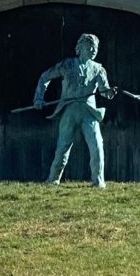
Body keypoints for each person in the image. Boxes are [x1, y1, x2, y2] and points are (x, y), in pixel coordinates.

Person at [33, 33, 111, 187]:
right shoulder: (67, 64)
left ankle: (98, 181)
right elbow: (45, 77)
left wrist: (109, 92)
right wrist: (38, 98)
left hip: (89, 113)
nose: (93, 50)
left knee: (96, 146)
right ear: (80, 48)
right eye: (90, 46)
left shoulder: (98, 69)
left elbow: (104, 91)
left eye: (95, 47)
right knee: (63, 147)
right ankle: (53, 179)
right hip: (69, 111)